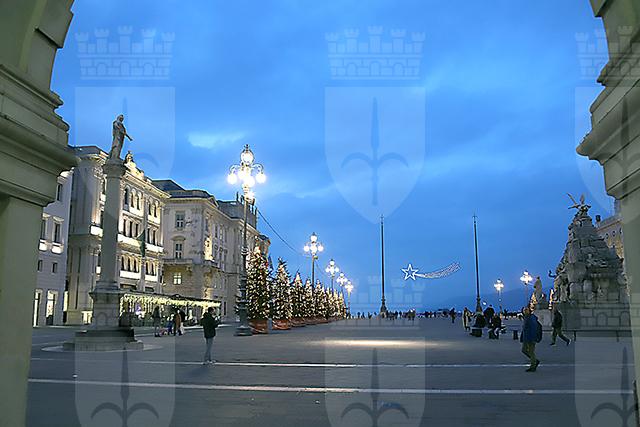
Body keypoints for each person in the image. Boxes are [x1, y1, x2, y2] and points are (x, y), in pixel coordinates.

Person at [521, 307, 541, 372]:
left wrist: (533, 338)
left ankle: (533, 366)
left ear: (529, 311)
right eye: (524, 310)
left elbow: (533, 329)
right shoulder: (526, 318)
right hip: (526, 338)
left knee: (531, 352)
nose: (525, 311)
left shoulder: (531, 318)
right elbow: (524, 329)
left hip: (531, 338)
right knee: (524, 350)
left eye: (526, 310)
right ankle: (535, 361)